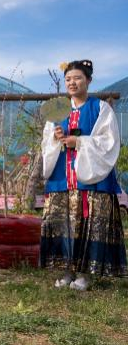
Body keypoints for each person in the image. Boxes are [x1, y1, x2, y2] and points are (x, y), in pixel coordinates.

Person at [41, 59, 127, 290]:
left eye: (77, 78)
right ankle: (66, 272)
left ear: (88, 80)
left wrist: (78, 142)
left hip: (91, 179)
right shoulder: (57, 110)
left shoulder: (100, 108)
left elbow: (109, 142)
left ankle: (84, 275)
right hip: (61, 178)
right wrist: (55, 138)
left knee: (87, 225)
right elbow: (46, 142)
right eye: (68, 79)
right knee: (63, 225)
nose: (72, 82)